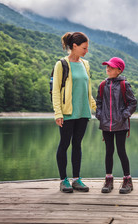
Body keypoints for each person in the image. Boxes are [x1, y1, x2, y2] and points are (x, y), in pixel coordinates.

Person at [52, 32, 96, 193]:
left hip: (83, 112)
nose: (86, 51)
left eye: (87, 48)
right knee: (64, 144)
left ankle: (76, 179)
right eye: (84, 48)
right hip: (67, 112)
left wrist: (96, 107)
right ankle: (63, 180)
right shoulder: (61, 64)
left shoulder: (86, 64)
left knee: (77, 145)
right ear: (75, 47)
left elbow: (87, 89)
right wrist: (58, 113)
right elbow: (56, 90)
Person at [96, 57, 137, 194]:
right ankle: (109, 179)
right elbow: (99, 103)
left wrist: (124, 115)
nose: (108, 69)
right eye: (107, 66)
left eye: (111, 67)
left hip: (121, 125)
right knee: (109, 151)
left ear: (119, 70)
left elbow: (133, 103)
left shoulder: (125, 85)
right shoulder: (103, 85)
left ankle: (127, 180)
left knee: (121, 151)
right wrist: (99, 115)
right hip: (106, 125)